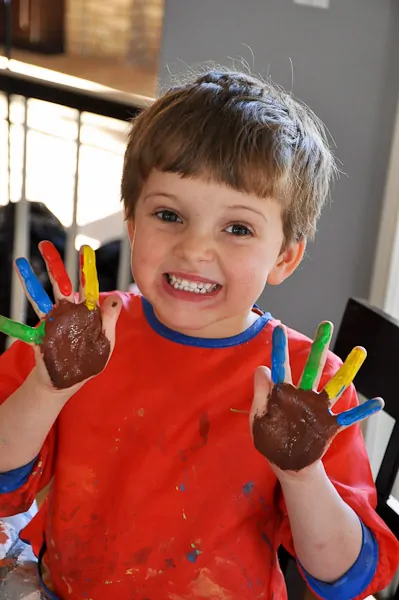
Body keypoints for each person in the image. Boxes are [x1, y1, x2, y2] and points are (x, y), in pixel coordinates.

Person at [0, 69, 398, 600]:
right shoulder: (79, 342)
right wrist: (46, 389)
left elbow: (345, 578)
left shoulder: (306, 389)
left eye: (237, 228)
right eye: (169, 214)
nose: (193, 250)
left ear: (285, 256)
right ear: (133, 224)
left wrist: (302, 475)